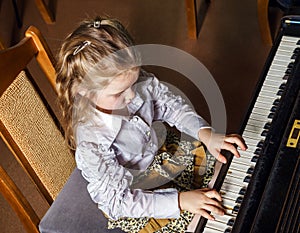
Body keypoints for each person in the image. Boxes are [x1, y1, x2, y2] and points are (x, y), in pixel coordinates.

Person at [56, 16, 247, 233]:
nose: (131, 96)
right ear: (84, 91)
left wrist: (204, 133)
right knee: (204, 221)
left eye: (133, 83)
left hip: (159, 152)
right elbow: (118, 202)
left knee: (229, 172)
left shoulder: (131, 82)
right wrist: (180, 201)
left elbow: (171, 105)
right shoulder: (92, 142)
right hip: (133, 191)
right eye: (119, 93)